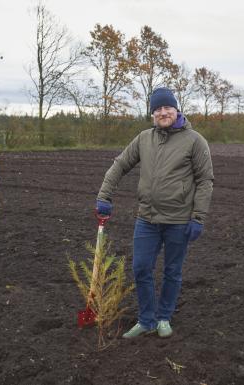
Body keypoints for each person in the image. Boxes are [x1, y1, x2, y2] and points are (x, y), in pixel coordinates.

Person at [95, 87, 214, 338]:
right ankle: (146, 320)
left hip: (179, 220)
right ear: (152, 114)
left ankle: (163, 318)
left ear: (176, 109)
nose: (163, 112)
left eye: (167, 107)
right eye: (157, 109)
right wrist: (104, 195)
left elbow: (205, 181)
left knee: (172, 271)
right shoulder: (143, 139)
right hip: (147, 218)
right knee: (140, 268)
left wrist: (198, 218)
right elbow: (120, 164)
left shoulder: (195, 141)